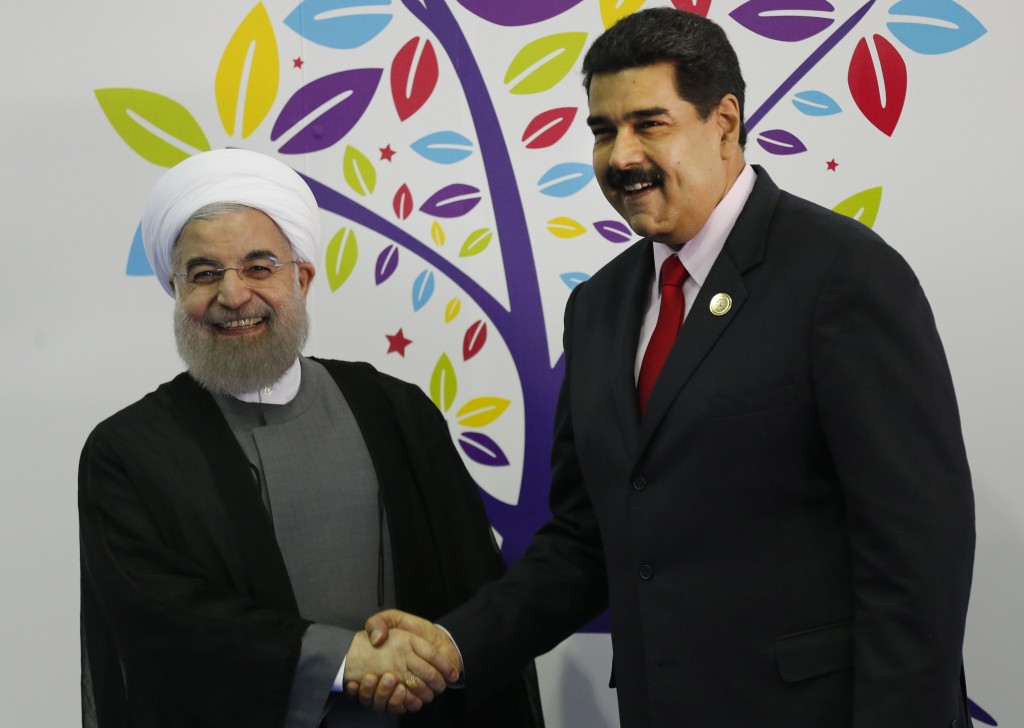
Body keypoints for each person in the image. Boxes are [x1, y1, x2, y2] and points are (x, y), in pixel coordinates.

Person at [358, 8, 976, 727]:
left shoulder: (844, 277)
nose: (620, 156)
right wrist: (454, 643)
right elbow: (588, 539)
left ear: (723, 122)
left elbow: (917, 556)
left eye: (649, 123)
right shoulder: (599, 307)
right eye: (601, 130)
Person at [78, 149, 543, 728]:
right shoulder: (130, 452)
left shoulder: (396, 411)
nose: (232, 295)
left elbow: (472, 581)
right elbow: (160, 621)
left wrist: (429, 657)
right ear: (176, 290)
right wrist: (341, 659)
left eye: (258, 266)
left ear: (301, 277)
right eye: (204, 274)